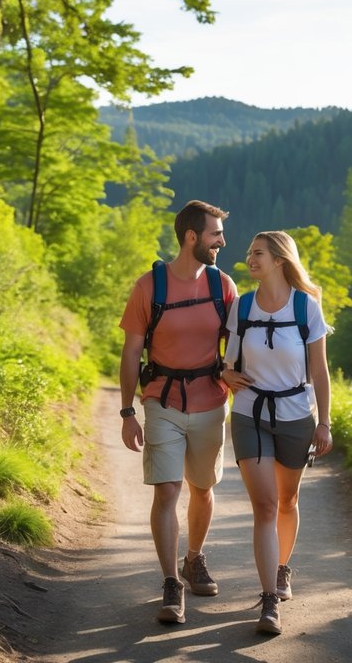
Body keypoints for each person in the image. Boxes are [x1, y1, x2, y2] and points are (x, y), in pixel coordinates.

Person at [118, 200, 238, 625]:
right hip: (161, 402)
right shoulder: (149, 287)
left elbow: (238, 348)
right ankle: (171, 582)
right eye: (215, 234)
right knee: (167, 490)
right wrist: (127, 410)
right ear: (192, 237)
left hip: (210, 402)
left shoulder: (224, 286)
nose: (222, 242)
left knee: (202, 489)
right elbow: (132, 351)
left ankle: (194, 558)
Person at [220, 230, 333, 636]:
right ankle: (269, 600)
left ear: (280, 260)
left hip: (296, 415)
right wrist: (225, 372)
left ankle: (283, 569)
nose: (250, 259)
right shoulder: (243, 306)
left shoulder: (307, 307)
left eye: (258, 253)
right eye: (249, 252)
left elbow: (319, 371)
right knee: (265, 506)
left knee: (287, 500)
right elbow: (228, 362)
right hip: (249, 412)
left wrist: (324, 422)